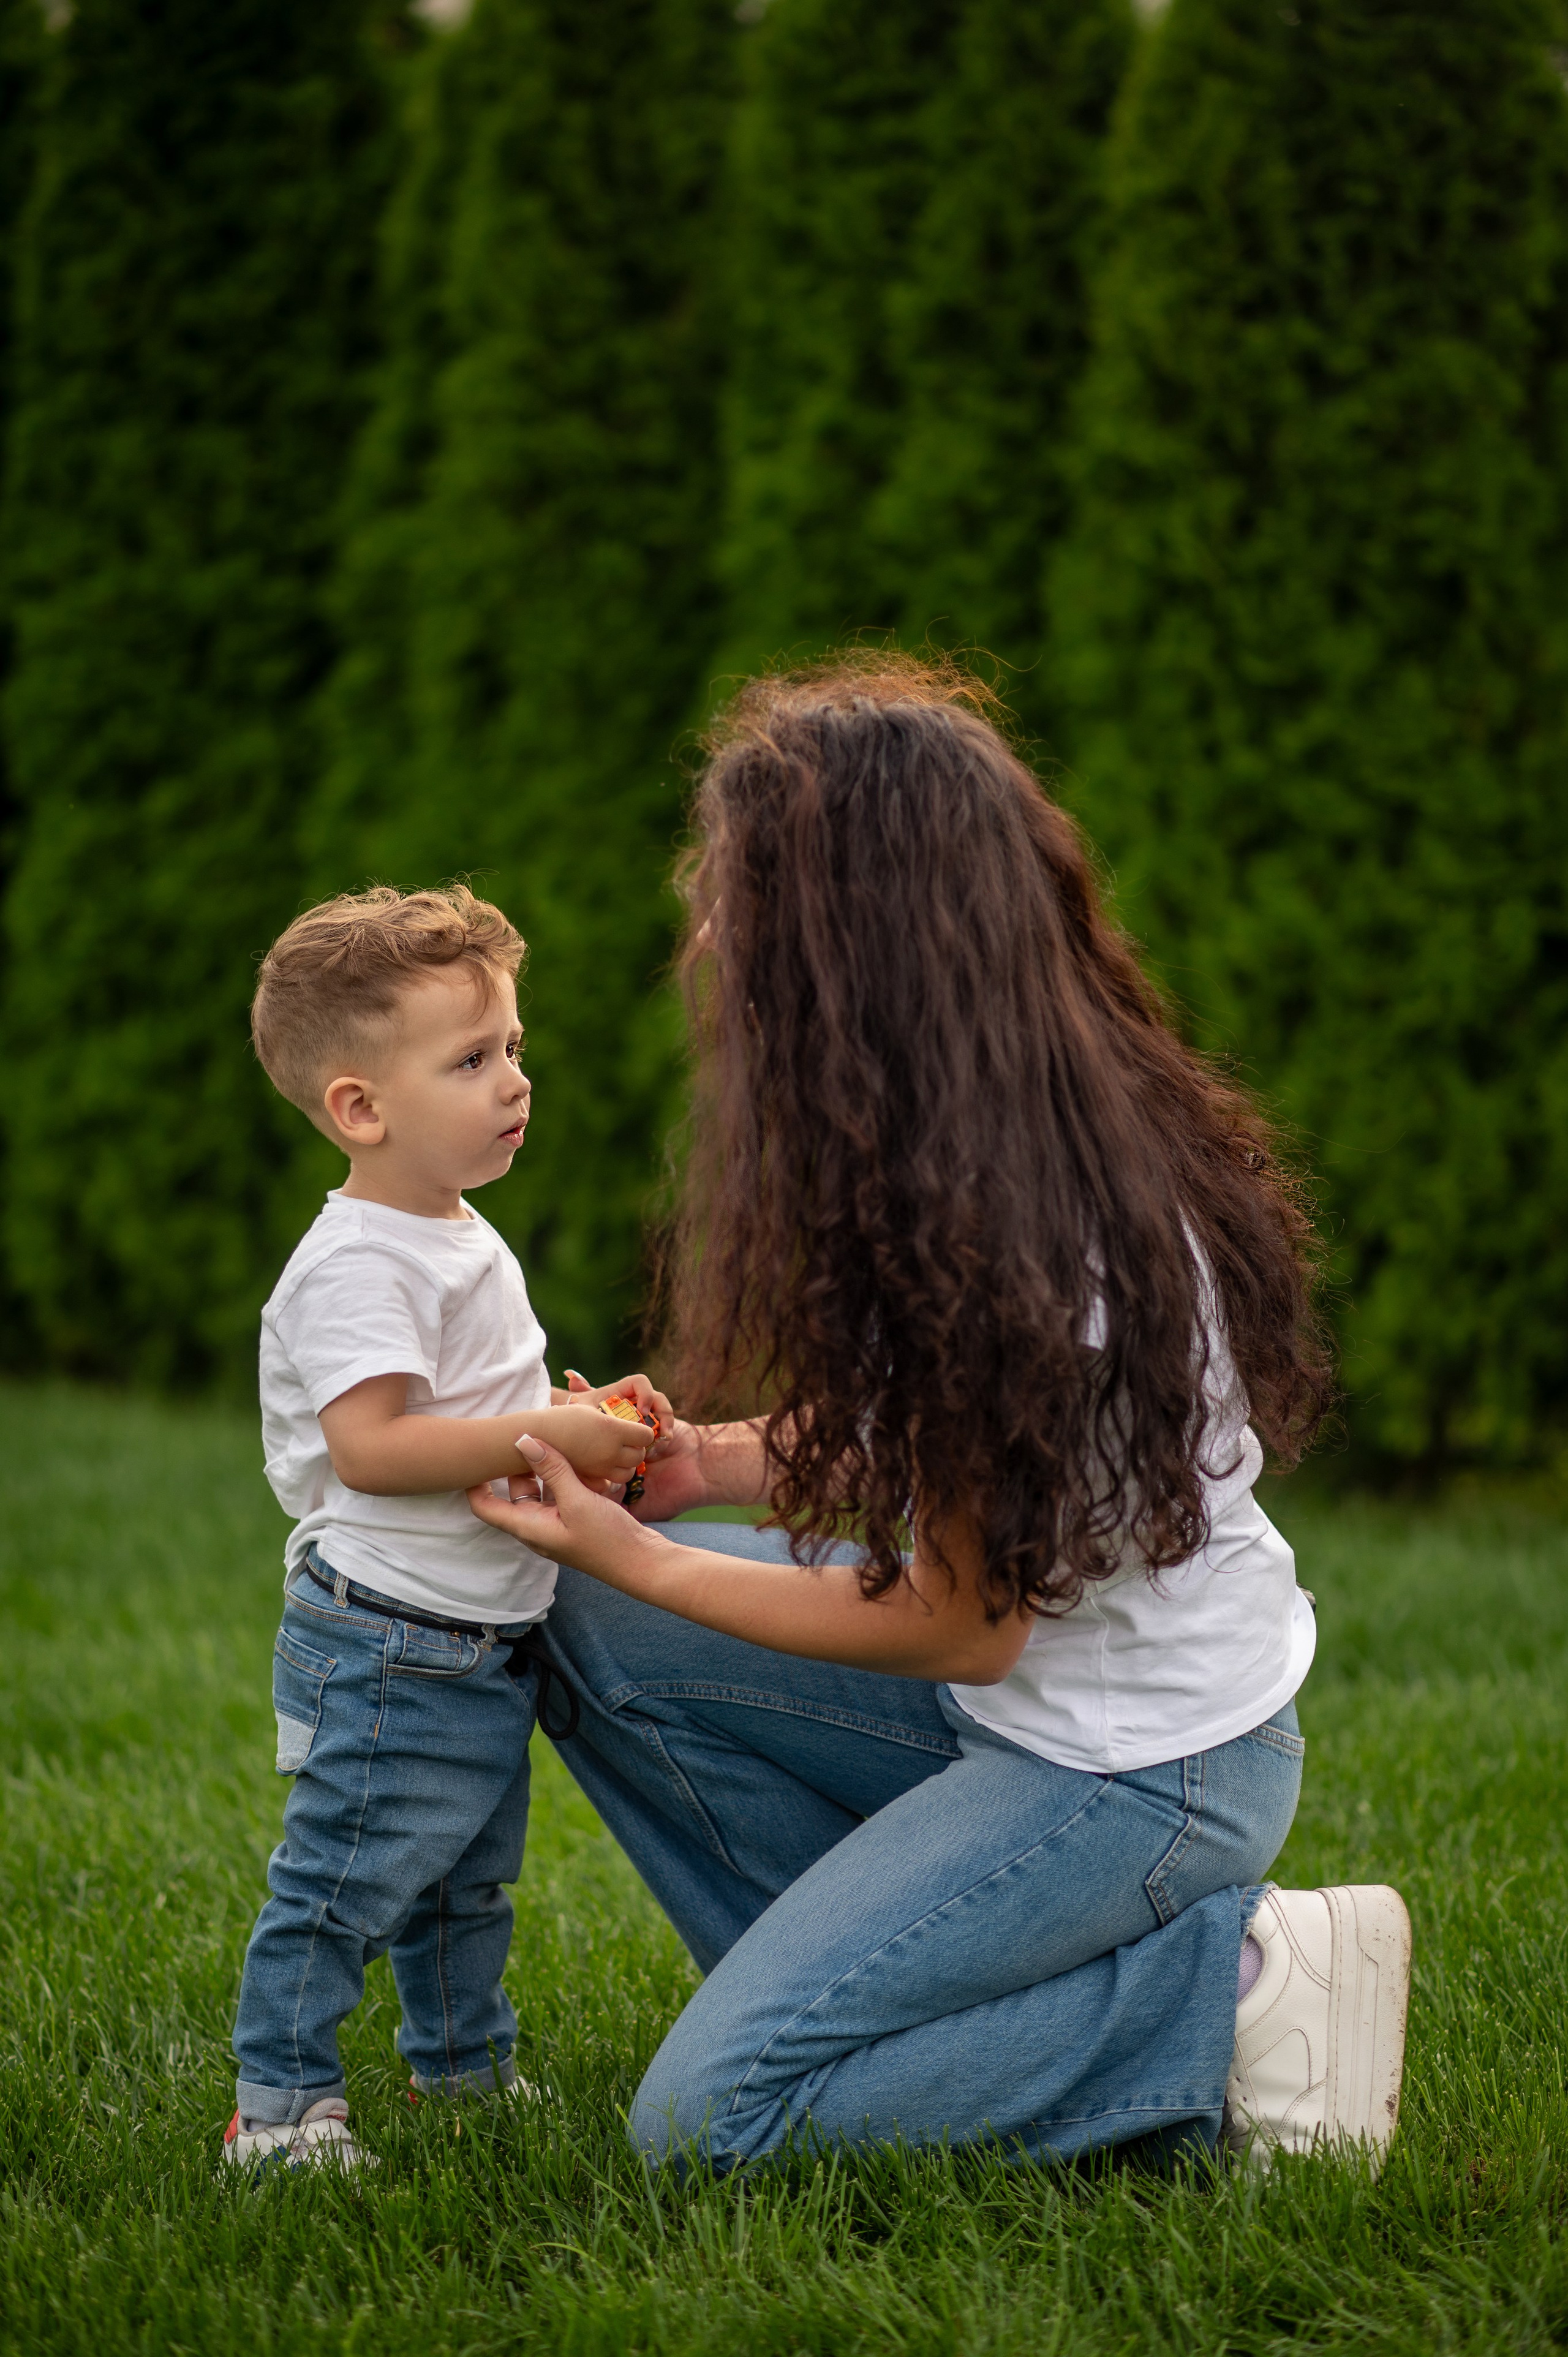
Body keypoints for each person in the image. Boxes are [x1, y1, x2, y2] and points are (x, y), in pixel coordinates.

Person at [472, 657, 1413, 2176]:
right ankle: (888, 2030)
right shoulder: (987, 1136)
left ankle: (1229, 2002)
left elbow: (955, 1623)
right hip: (1027, 1721)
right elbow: (943, 1450)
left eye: (737, 896)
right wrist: (698, 1464)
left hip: (1136, 1781)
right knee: (573, 1612)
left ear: (856, 939)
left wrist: (643, 1552)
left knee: (704, 2132)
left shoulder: (1027, 1222)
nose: (702, 930)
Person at [225, 884, 667, 2172]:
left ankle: (462, 2073)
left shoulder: (450, 1232)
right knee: (344, 1884)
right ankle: (279, 2109)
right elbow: (375, 1447)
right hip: (388, 1646)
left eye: (513, 1048)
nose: (514, 1080)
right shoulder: (362, 1261)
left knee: (460, 1886)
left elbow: (459, 1406)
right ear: (360, 1108)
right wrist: (548, 1441)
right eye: (472, 1060)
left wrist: (566, 1417)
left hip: (472, 1636)